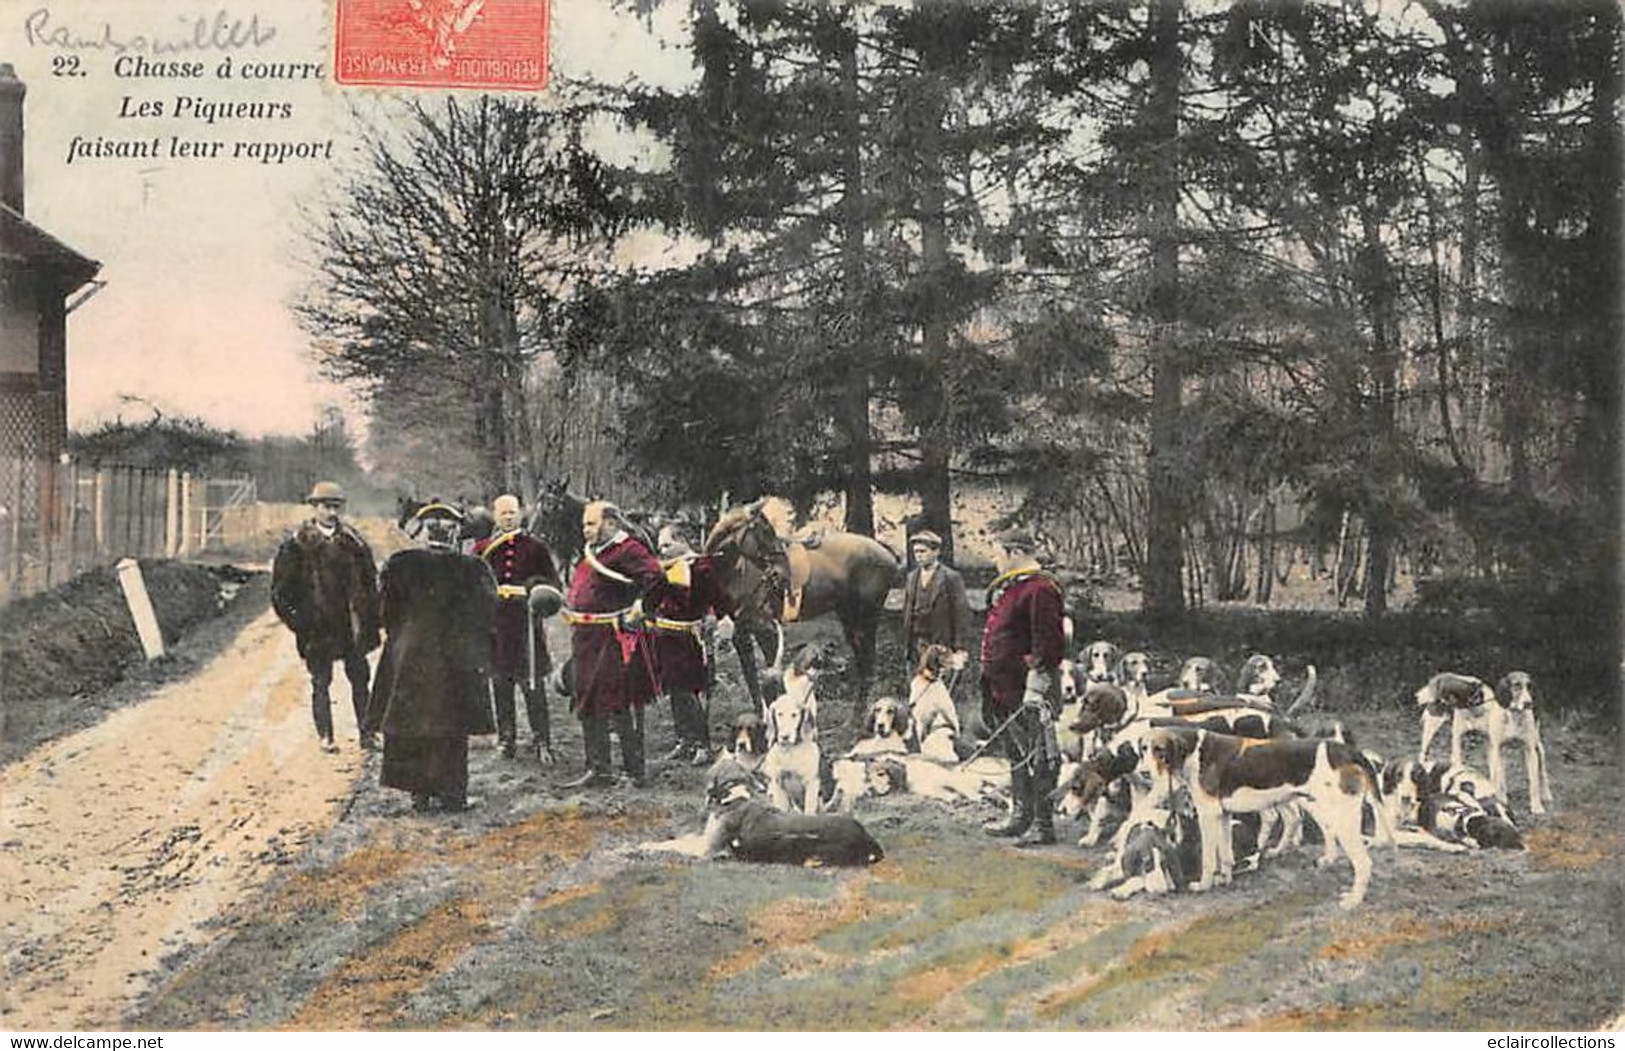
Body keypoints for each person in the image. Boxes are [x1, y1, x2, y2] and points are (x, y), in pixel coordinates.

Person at [365, 501, 497, 813]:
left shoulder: (399, 563)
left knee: (414, 722)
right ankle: (453, 796)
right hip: (456, 658)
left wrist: (404, 634)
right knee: (452, 724)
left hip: (409, 654)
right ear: (456, 534)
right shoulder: (473, 568)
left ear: (424, 531)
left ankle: (419, 796)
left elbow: (384, 610)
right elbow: (487, 613)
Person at [560, 500, 671, 789]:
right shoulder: (592, 553)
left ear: (611, 523)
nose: (585, 530)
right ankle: (599, 769)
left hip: (614, 637)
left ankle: (634, 772)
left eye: (591, 524)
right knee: (587, 699)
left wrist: (639, 608)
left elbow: (656, 578)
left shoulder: (629, 549)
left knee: (619, 703)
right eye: (584, 524)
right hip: (585, 637)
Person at [270, 481, 381, 754]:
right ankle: (326, 737)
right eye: (326, 507)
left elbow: (371, 583)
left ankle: (367, 735)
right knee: (321, 682)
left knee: (360, 680)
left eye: (336, 507)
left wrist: (371, 617)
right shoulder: (296, 547)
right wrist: (301, 622)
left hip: (350, 625)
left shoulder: (355, 544)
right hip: (318, 628)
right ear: (314, 508)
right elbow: (281, 593)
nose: (331, 512)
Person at [979, 528, 1066, 845]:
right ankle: (1020, 817)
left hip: (1027, 692)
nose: (993, 560)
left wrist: (1036, 688)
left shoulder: (1040, 589)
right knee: (1017, 755)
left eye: (997, 553)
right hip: (1004, 688)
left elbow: (1049, 645)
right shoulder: (1014, 588)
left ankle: (1043, 827)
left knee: (1039, 756)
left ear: (1015, 552)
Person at [471, 494, 562, 763]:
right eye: (503, 513)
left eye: (512, 512)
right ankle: (506, 739)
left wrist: (533, 589)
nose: (508, 517)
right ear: (495, 515)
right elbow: (472, 586)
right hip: (496, 627)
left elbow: (553, 583)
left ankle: (542, 740)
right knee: (500, 684)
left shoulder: (535, 547)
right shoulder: (481, 549)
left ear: (521, 513)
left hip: (525, 628)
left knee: (533, 685)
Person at [650, 519, 737, 767]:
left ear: (682, 542)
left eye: (666, 545)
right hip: (665, 636)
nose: (662, 550)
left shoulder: (701, 568)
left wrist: (724, 620)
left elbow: (721, 599)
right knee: (674, 689)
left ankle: (702, 745)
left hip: (688, 637)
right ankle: (684, 740)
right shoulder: (666, 567)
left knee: (687, 690)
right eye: (660, 546)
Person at [899, 529, 973, 668]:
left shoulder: (950, 577)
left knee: (939, 684)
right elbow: (907, 609)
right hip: (915, 641)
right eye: (916, 552)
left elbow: (961, 613)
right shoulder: (912, 577)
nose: (919, 556)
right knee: (917, 684)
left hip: (940, 641)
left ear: (936, 552)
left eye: (923, 551)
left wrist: (959, 647)